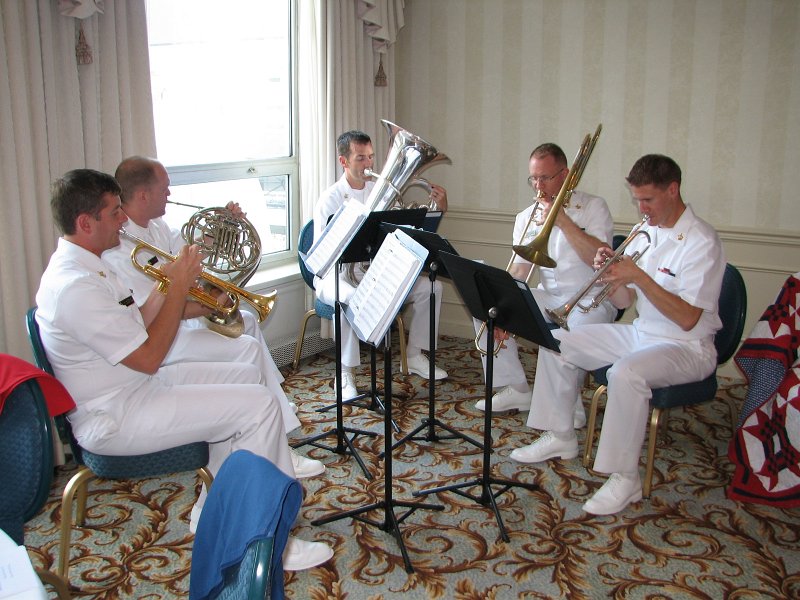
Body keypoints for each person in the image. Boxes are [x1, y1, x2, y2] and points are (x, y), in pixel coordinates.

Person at [35, 169, 332, 569]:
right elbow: (149, 356)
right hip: (115, 413)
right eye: (114, 212)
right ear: (85, 223)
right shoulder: (75, 286)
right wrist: (176, 287)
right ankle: (267, 542)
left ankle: (213, 512)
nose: (123, 219)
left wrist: (166, 282)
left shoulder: (91, 266)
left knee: (246, 375)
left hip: (136, 386)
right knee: (258, 407)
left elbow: (138, 322)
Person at [509, 154, 725, 515]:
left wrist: (638, 276)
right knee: (559, 341)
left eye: (648, 199)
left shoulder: (701, 241)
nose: (642, 209)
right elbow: (626, 301)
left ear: (673, 190)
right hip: (643, 333)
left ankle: (625, 478)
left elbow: (688, 318)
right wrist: (610, 277)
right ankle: (560, 434)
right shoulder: (645, 231)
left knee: (626, 373)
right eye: (637, 199)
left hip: (688, 346)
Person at [102, 156, 323, 480]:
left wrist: (223, 228)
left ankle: (271, 415)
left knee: (247, 322)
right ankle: (271, 430)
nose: (169, 194)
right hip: (162, 341)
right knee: (246, 347)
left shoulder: (157, 226)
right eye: (164, 189)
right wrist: (209, 306)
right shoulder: (120, 251)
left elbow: (194, 258)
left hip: (174, 328)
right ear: (143, 195)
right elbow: (155, 312)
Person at [473, 143, 616, 425]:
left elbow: (599, 262)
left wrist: (563, 222)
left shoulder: (593, 207)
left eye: (545, 178)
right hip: (550, 296)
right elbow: (519, 270)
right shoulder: (526, 217)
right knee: (487, 309)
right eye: (533, 178)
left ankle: (568, 405)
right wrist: (503, 306)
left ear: (565, 174)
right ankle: (516, 388)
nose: (538, 186)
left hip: (591, 300)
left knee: (566, 339)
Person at [313, 130, 449, 399]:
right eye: (360, 158)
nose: (369, 164)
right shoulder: (330, 199)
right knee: (349, 297)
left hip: (372, 271)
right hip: (335, 276)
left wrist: (438, 209)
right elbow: (323, 256)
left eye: (371, 157)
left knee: (431, 288)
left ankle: (414, 355)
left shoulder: (380, 192)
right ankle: (345, 372)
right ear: (343, 161)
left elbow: (405, 233)